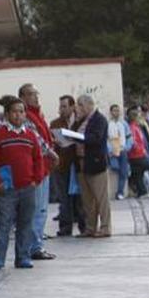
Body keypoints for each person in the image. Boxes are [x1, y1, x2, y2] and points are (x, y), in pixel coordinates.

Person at [0, 96, 44, 271]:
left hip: (28, 187)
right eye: (14, 112)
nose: (18, 115)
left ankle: (23, 257)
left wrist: (36, 179)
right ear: (7, 114)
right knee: (3, 224)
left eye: (21, 112)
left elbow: (38, 159)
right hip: (7, 188)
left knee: (25, 224)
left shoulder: (30, 135)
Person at [18, 83, 58, 261]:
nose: (36, 97)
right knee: (37, 209)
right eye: (31, 94)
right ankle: (34, 246)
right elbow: (36, 140)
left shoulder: (38, 114)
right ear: (23, 97)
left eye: (36, 93)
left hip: (44, 167)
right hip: (35, 168)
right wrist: (50, 151)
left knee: (41, 208)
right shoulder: (26, 116)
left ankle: (36, 243)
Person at [72, 95, 111, 238]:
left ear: (90, 105)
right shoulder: (81, 120)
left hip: (95, 163)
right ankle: (90, 227)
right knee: (87, 199)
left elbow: (96, 138)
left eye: (81, 105)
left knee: (101, 198)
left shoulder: (99, 119)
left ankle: (106, 227)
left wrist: (77, 137)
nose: (78, 108)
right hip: (82, 163)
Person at [51, 95, 86, 236]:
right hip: (62, 164)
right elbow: (51, 140)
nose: (61, 109)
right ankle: (65, 227)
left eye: (64, 106)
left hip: (78, 164)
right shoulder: (55, 123)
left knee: (81, 198)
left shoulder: (81, 121)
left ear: (72, 107)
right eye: (60, 106)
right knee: (64, 198)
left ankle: (84, 226)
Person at [126, 106, 149, 198]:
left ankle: (142, 192)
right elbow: (134, 142)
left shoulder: (136, 127)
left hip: (137, 155)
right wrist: (141, 150)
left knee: (138, 174)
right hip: (137, 155)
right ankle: (142, 191)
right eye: (138, 116)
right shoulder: (133, 127)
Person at [107, 104, 131, 200]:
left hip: (122, 150)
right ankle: (127, 169)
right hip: (113, 150)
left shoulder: (124, 124)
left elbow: (129, 137)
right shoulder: (108, 124)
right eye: (114, 110)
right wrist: (109, 150)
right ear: (111, 112)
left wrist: (127, 147)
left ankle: (120, 192)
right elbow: (105, 139)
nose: (116, 112)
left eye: (118, 110)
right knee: (114, 166)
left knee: (123, 172)